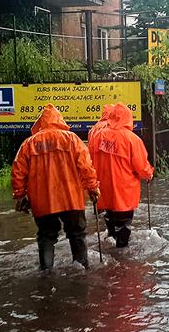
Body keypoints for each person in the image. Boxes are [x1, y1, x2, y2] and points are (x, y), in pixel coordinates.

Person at [11, 104, 101, 270]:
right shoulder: (72, 139)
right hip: (71, 199)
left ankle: (46, 272)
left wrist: (20, 195)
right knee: (77, 235)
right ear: (60, 120)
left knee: (46, 236)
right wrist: (93, 188)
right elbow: (86, 167)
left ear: (40, 123)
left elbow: (18, 171)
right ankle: (81, 270)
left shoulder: (29, 144)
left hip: (42, 201)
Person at [88, 103, 154, 248]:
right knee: (124, 222)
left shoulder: (96, 135)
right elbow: (141, 166)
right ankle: (122, 253)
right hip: (124, 190)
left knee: (109, 215)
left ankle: (112, 241)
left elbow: (89, 161)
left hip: (103, 188)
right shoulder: (132, 139)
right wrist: (149, 173)